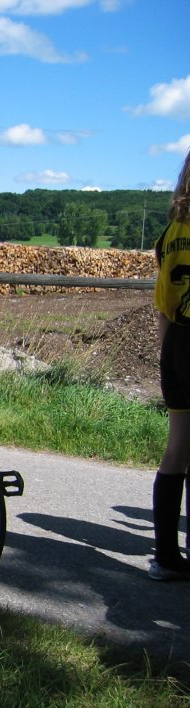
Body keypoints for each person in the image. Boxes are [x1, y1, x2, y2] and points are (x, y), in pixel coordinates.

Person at [149, 150, 190, 581]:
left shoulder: (169, 233)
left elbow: (162, 305)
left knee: (178, 449)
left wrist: (169, 357)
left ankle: (165, 557)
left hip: (177, 339)